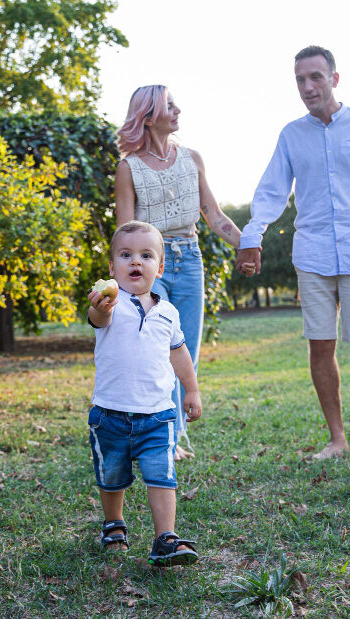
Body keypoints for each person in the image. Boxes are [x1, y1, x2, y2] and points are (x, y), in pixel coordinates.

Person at [236, 45, 350, 459]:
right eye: (300, 79)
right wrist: (252, 235)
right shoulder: (291, 135)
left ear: (335, 78)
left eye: (315, 77)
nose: (307, 86)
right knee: (320, 345)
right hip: (312, 253)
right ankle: (337, 438)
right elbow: (271, 191)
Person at [115, 85, 254, 460]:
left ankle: (173, 436)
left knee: (184, 353)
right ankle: (164, 438)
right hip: (149, 265)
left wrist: (246, 245)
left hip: (190, 259)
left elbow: (214, 215)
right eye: (169, 106)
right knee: (158, 351)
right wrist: (127, 277)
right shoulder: (128, 168)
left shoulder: (191, 159)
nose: (178, 110)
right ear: (148, 116)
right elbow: (125, 232)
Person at [87, 220, 202, 566]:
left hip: (157, 414)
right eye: (125, 255)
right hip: (110, 412)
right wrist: (99, 304)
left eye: (146, 255)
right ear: (112, 267)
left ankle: (165, 537)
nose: (135, 262)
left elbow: (179, 353)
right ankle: (114, 524)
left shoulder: (168, 312)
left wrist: (192, 390)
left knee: (163, 475)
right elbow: (97, 317)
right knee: (112, 475)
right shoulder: (111, 304)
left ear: (160, 267)